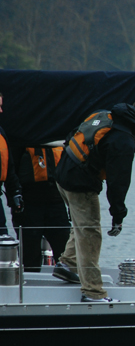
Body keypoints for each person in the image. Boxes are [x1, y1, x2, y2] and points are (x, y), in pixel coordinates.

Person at [54, 96, 135, 302]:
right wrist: (118, 215)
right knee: (90, 233)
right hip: (80, 185)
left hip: (62, 174)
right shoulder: (124, 140)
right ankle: (92, 292)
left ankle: (68, 263)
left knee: (82, 224)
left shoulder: (102, 115)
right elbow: (118, 183)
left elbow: (73, 135)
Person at [10, 144, 71, 271]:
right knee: (30, 253)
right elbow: (11, 171)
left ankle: (68, 278)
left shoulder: (59, 137)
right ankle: (28, 285)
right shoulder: (21, 139)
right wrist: (14, 197)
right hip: (29, 203)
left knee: (64, 248)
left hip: (57, 202)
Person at [0, 93, 25, 235]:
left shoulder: (1, 132)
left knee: (3, 237)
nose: (1, 111)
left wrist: (15, 193)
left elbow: (9, 168)